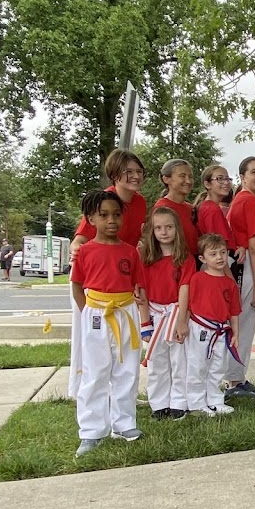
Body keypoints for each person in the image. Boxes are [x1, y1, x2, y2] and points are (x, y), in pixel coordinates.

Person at [69, 190, 149, 456]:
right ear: (90, 218)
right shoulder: (85, 251)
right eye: (103, 215)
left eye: (116, 215)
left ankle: (124, 423)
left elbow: (137, 285)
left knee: (126, 369)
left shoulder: (130, 252)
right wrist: (87, 313)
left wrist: (140, 307)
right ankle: (92, 430)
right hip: (96, 312)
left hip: (125, 311)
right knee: (95, 372)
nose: (111, 220)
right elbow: (77, 286)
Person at [68, 148, 149, 398]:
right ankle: (82, 390)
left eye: (139, 172)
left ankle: (121, 397)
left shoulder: (140, 202)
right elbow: (79, 239)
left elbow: (134, 243)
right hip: (94, 282)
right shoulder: (104, 200)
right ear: (115, 174)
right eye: (129, 172)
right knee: (90, 344)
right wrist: (77, 252)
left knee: (123, 347)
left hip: (122, 281)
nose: (135, 176)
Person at [138, 208, 193, 420]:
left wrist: (181, 322)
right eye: (158, 228)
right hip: (154, 313)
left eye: (169, 227)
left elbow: (185, 289)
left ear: (176, 229)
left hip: (176, 312)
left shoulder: (184, 259)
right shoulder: (145, 258)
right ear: (152, 230)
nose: (164, 232)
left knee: (179, 362)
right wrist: (145, 322)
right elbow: (141, 291)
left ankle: (179, 401)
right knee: (157, 362)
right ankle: (159, 403)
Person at [182, 233, 242, 417]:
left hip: (221, 330)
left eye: (223, 253)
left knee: (218, 366)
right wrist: (182, 325)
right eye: (214, 254)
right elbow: (188, 306)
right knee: (198, 364)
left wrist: (236, 334)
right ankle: (196, 402)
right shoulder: (197, 279)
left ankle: (215, 400)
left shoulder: (229, 283)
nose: (219, 258)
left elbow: (234, 311)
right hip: (200, 327)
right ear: (203, 258)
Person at [226, 156, 255, 400]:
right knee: (243, 324)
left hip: (240, 267)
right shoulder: (251, 201)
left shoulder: (240, 200)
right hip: (247, 269)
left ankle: (235, 377)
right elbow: (254, 244)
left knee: (238, 323)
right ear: (242, 177)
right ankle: (235, 381)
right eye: (254, 172)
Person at [153, 159, 199, 256]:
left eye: (190, 177)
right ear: (166, 179)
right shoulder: (162, 209)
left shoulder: (190, 208)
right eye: (182, 176)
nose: (188, 181)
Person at [194, 165, 237, 258]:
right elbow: (217, 248)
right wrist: (227, 273)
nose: (226, 182)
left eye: (228, 179)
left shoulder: (207, 206)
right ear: (207, 184)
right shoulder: (212, 210)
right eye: (220, 179)